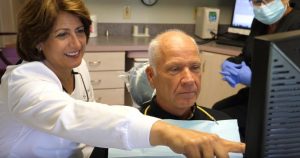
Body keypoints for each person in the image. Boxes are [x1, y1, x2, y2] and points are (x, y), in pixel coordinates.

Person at [0, 0, 245, 157]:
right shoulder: (23, 83)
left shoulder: (78, 66)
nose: (76, 44)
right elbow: (72, 116)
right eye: (62, 34)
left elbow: (90, 118)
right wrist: (167, 132)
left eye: (80, 31)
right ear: (39, 40)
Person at [212, 0, 300, 141]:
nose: (262, 6)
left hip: (283, 105)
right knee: (217, 110)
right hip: (257, 95)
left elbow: (294, 78)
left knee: (226, 121)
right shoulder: (260, 22)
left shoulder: (296, 24)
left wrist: (255, 80)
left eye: (267, 0)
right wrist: (230, 63)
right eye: (257, 1)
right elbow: (247, 56)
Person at [139, 30, 231, 122]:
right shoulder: (134, 129)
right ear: (151, 76)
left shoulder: (220, 124)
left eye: (195, 67)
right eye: (175, 69)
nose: (189, 80)